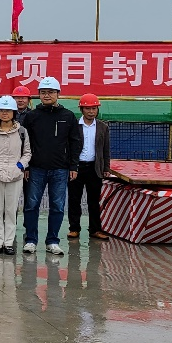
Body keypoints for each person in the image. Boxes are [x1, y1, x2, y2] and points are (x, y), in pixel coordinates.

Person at [21, 77, 83, 256]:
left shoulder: (68, 116)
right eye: (43, 92)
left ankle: (53, 241)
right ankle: (31, 240)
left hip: (60, 169)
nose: (46, 95)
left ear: (58, 94)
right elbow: (24, 142)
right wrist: (26, 166)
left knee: (57, 206)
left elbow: (75, 142)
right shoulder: (32, 116)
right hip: (36, 168)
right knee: (31, 205)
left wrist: (73, 166)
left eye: (50, 92)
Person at [0, 95, 30, 255]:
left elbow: (27, 153)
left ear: (14, 112)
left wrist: (19, 167)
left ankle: (8, 243)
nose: (5, 113)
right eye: (2, 110)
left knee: (11, 209)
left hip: (15, 176)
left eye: (8, 110)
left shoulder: (22, 131)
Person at [68, 93, 111, 241]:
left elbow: (106, 149)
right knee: (74, 199)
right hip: (77, 168)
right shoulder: (74, 126)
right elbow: (69, 147)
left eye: (94, 108)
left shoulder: (103, 127)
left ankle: (95, 229)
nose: (91, 112)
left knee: (94, 200)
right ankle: (74, 228)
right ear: (81, 109)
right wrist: (71, 166)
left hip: (94, 168)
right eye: (88, 108)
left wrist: (106, 168)